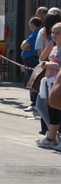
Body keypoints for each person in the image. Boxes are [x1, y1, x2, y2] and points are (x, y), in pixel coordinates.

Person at [35, 22, 61, 150]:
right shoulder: (55, 48)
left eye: (58, 32)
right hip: (51, 83)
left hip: (58, 84)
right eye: (53, 32)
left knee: (56, 111)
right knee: (50, 110)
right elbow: (43, 56)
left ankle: (53, 137)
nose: (54, 35)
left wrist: (52, 65)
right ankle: (51, 138)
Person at [20, 17, 42, 112]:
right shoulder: (35, 33)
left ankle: (34, 103)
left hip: (32, 61)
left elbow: (23, 46)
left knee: (32, 81)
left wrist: (24, 44)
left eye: (30, 23)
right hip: (30, 60)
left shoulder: (36, 33)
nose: (29, 25)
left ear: (33, 24)